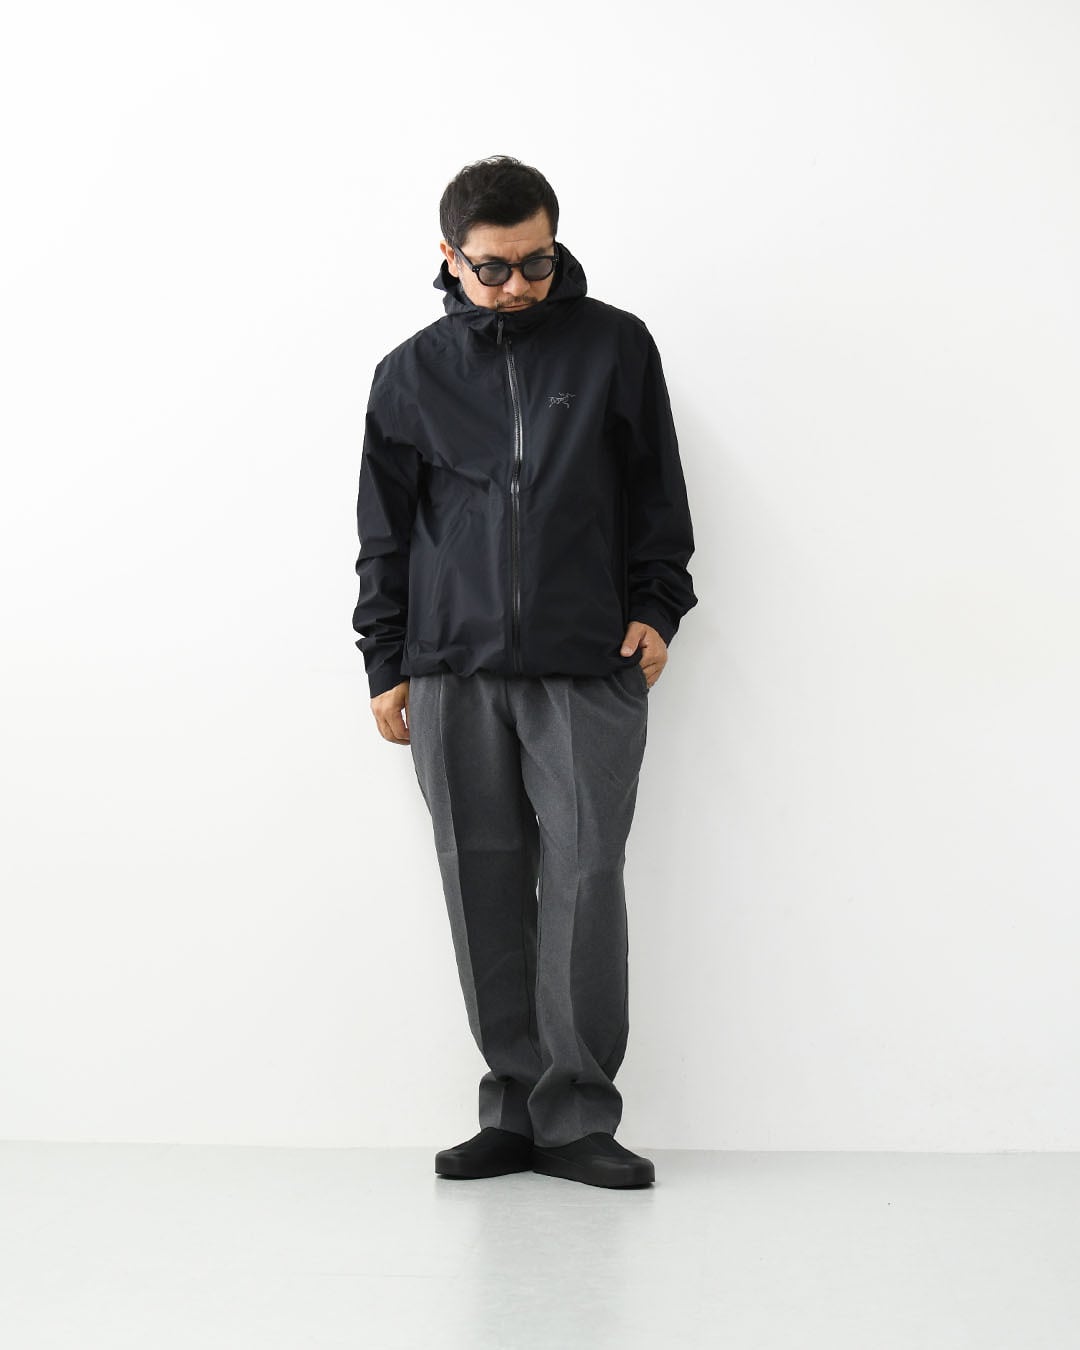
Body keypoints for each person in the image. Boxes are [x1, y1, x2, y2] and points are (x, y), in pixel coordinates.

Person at [352, 155, 697, 1189]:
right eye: (495, 268)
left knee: (586, 880)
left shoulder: (615, 347)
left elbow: (658, 495)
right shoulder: (408, 375)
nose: (519, 286)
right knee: (482, 880)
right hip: (450, 669)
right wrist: (385, 658)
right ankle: (512, 1107)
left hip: (587, 664)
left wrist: (656, 608)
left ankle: (577, 1113)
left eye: (538, 263)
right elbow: (385, 536)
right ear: (450, 257)